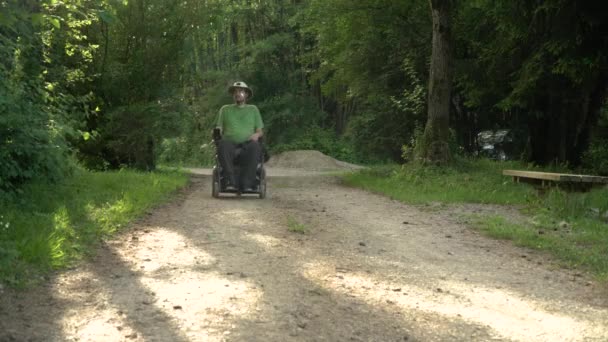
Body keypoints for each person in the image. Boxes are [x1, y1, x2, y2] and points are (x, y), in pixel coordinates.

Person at [216, 81, 264, 192]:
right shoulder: (225, 109)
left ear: (246, 94)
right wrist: (217, 132)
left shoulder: (253, 109)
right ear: (233, 95)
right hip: (230, 144)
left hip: (247, 144)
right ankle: (230, 181)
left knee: (256, 146)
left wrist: (256, 135)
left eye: (241, 91)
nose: (238, 94)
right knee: (222, 145)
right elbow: (219, 128)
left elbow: (260, 131)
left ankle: (247, 184)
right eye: (235, 92)